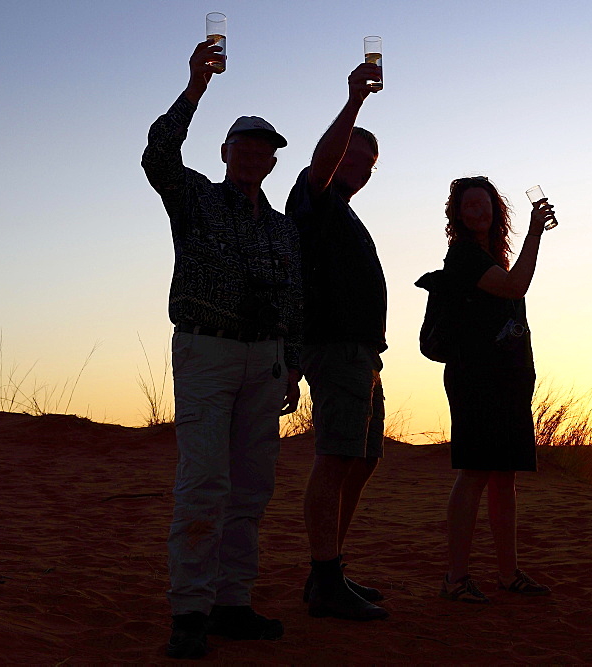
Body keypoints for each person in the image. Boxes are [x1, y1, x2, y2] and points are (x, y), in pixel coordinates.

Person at [142, 40, 302, 659]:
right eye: (246, 146)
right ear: (226, 153)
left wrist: (293, 360)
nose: (256, 155)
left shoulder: (282, 225)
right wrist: (195, 87)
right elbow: (157, 155)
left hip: (265, 362)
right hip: (206, 352)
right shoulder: (196, 199)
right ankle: (189, 609)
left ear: (271, 161)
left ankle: (233, 602)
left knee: (251, 487)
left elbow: (294, 298)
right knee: (204, 481)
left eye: (266, 149)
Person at [284, 60, 388, 621]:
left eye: (370, 161)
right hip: (336, 350)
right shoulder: (313, 198)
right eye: (353, 153)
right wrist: (354, 103)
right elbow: (321, 166)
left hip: (364, 357)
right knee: (335, 457)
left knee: (362, 459)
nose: (362, 166)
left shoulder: (345, 214)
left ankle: (330, 565)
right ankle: (325, 579)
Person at [438, 176, 554, 603]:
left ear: (495, 209)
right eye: (469, 206)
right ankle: (455, 578)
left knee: (504, 477)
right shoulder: (465, 256)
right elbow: (514, 287)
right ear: (458, 213)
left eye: (483, 204)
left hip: (507, 380)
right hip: (477, 380)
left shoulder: (491, 255)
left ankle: (508, 573)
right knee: (474, 472)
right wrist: (536, 234)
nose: (478, 212)